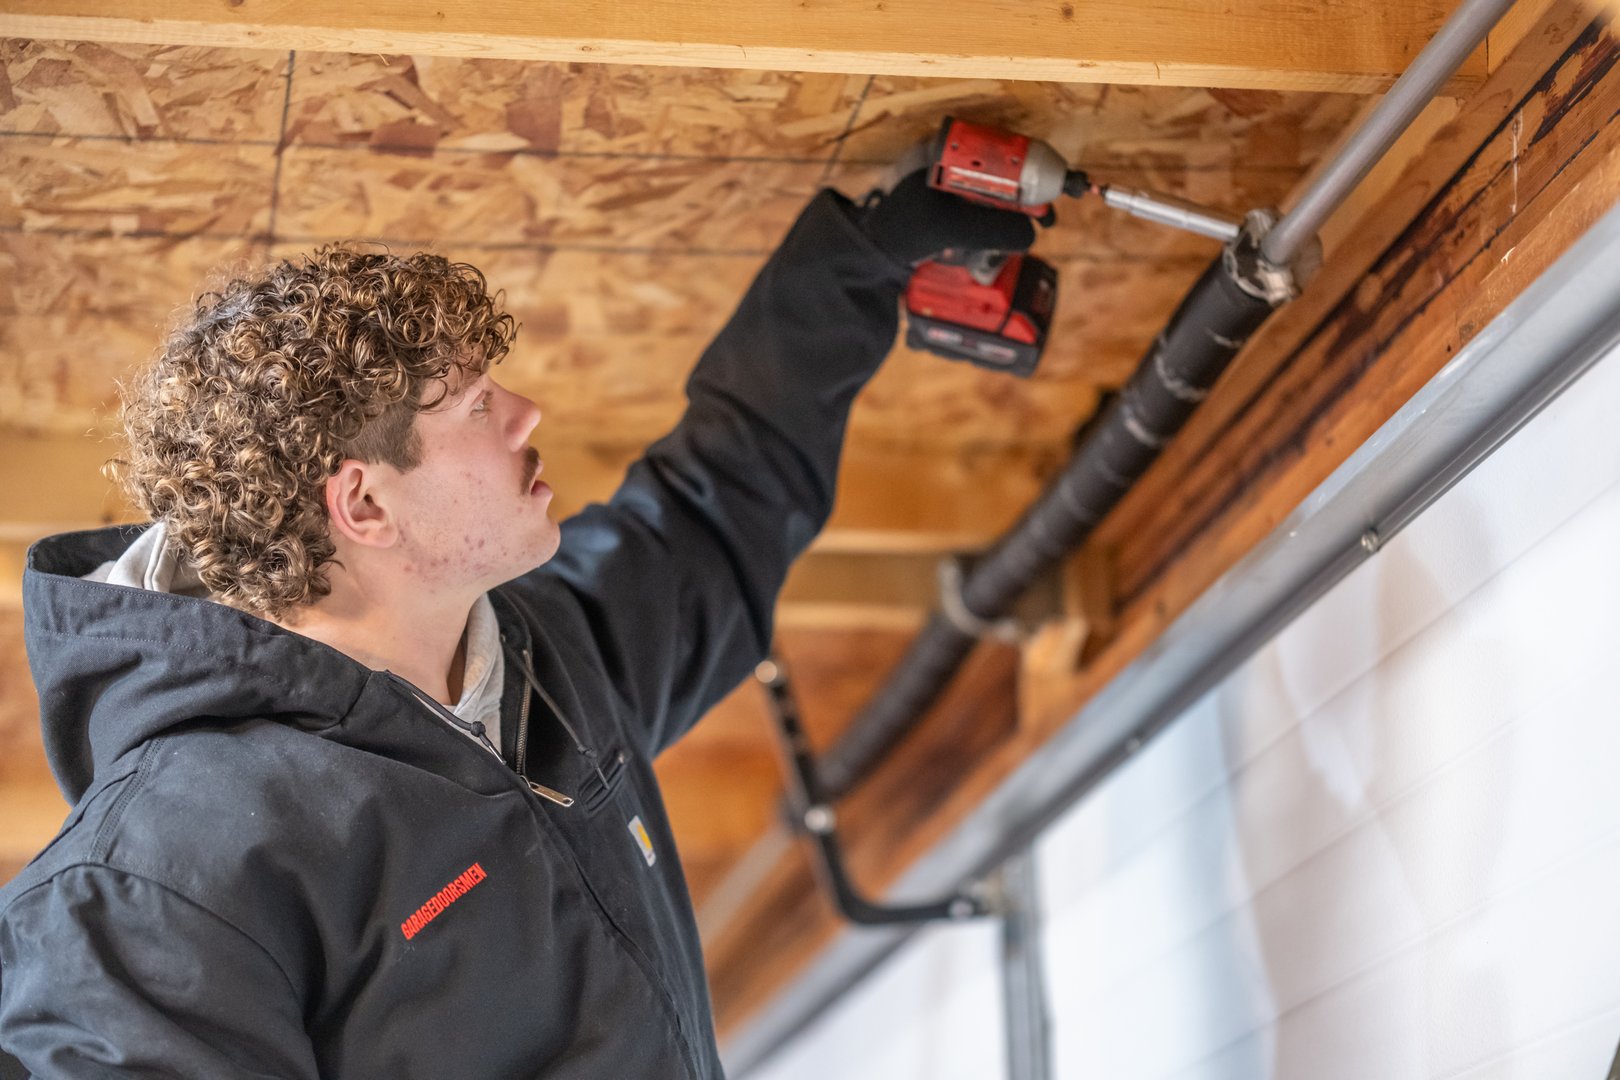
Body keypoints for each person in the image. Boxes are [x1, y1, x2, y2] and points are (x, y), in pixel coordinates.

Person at [0, 173, 1034, 1077]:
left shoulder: (541, 664)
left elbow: (720, 504)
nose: (530, 413)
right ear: (364, 506)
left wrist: (854, 262)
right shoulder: (158, 874)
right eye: (478, 406)